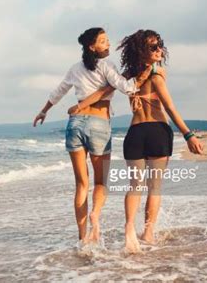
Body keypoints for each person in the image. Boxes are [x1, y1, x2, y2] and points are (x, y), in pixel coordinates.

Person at [67, 29, 203, 253]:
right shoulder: (158, 75)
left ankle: (129, 228)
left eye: (159, 45)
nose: (159, 50)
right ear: (142, 51)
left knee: (135, 186)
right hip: (158, 131)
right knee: (154, 187)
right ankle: (148, 233)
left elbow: (102, 92)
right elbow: (169, 107)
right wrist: (188, 135)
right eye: (153, 47)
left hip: (135, 134)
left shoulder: (128, 76)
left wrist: (80, 106)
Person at [33, 27, 148, 244]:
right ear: (91, 46)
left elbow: (59, 91)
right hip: (98, 123)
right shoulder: (107, 66)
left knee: (81, 185)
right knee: (100, 183)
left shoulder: (75, 68)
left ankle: (82, 237)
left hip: (75, 124)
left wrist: (44, 111)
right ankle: (95, 216)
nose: (108, 44)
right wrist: (142, 74)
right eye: (103, 41)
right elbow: (127, 87)